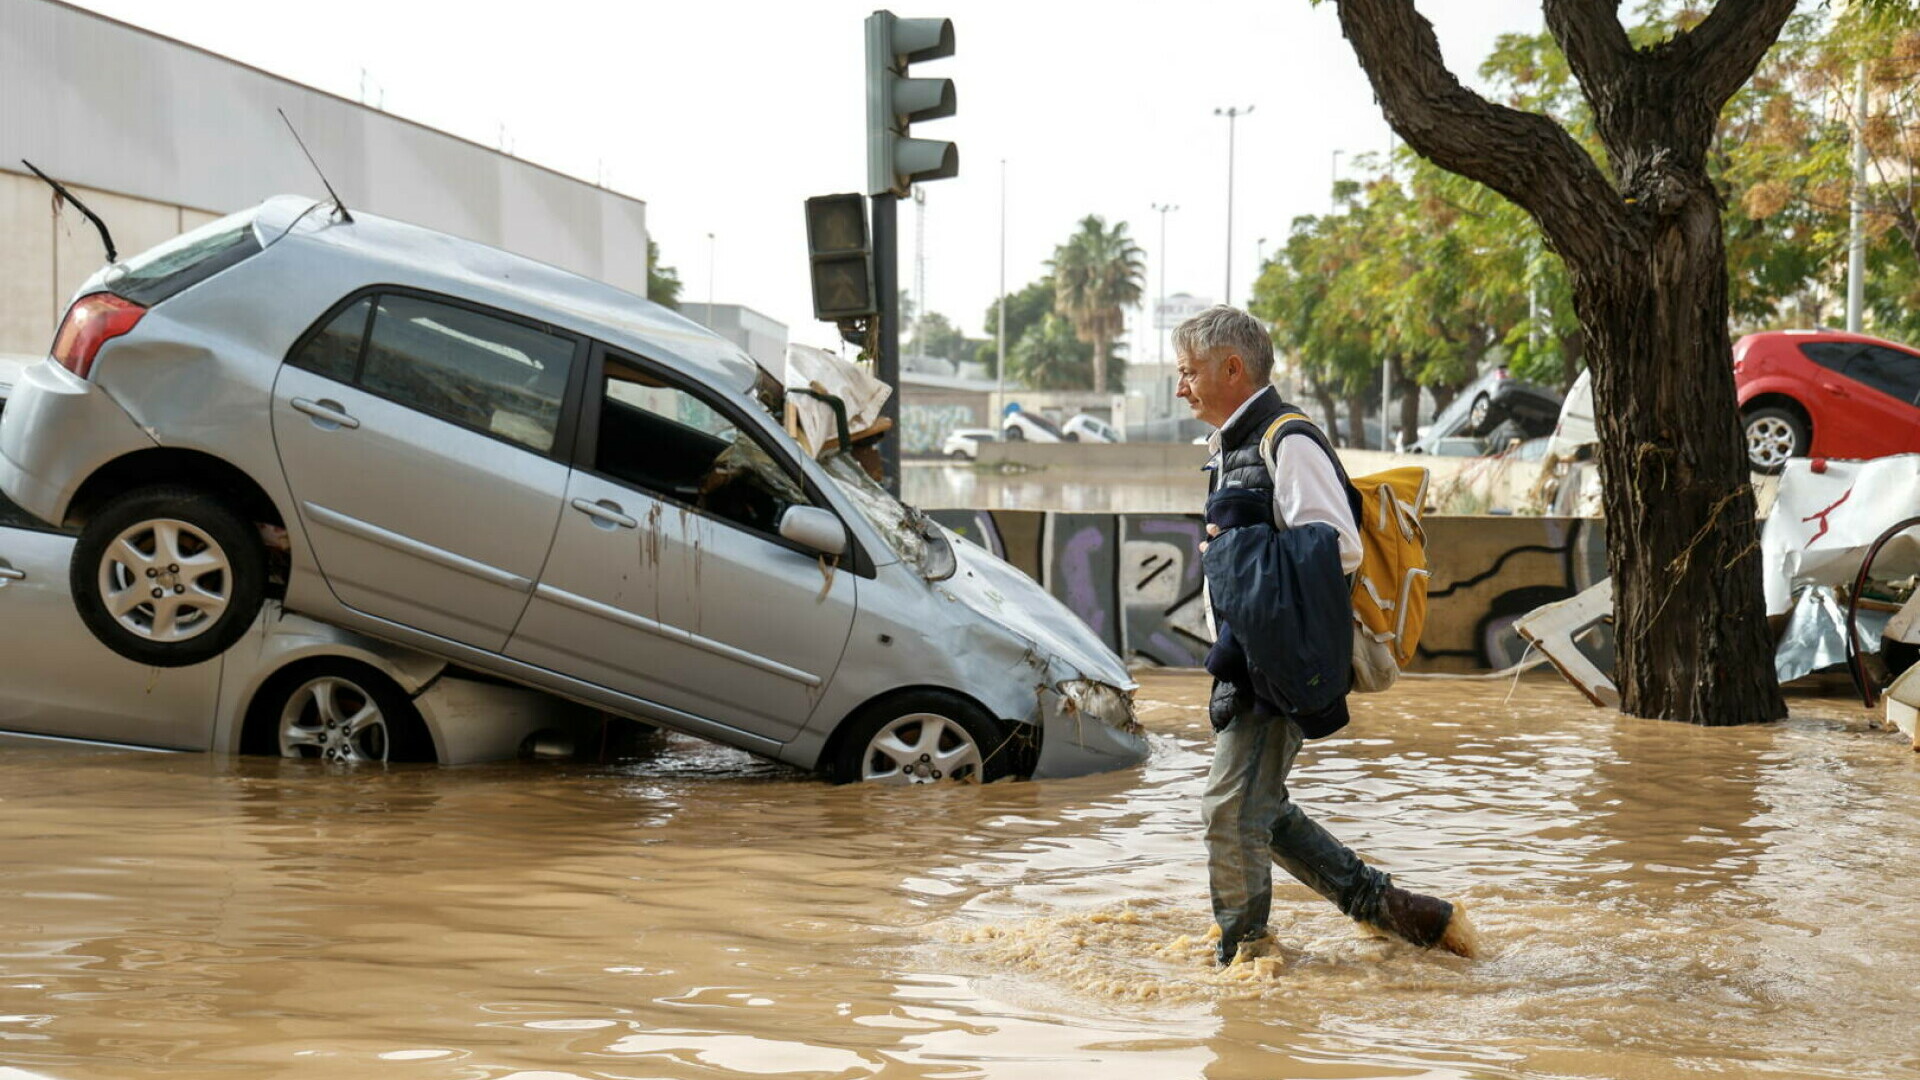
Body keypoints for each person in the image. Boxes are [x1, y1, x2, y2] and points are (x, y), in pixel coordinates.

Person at [1174, 305, 1476, 966]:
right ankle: (1403, 916)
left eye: (1189, 372)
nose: (1180, 387)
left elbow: (1336, 547)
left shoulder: (1289, 439)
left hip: (1275, 662)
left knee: (1229, 810)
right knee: (1261, 809)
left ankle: (1245, 960)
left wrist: (1237, 553)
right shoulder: (1235, 446)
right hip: (1248, 659)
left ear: (1233, 367)